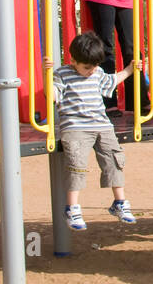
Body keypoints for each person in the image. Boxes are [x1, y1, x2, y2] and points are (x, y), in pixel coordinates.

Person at [54, 31, 142, 231]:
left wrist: (129, 70)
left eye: (94, 66)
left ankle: (119, 203)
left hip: (102, 125)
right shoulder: (62, 74)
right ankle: (72, 207)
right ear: (73, 60)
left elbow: (112, 80)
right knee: (76, 163)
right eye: (87, 67)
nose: (91, 71)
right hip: (75, 126)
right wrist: (46, 76)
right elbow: (52, 95)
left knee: (114, 160)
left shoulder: (97, 72)